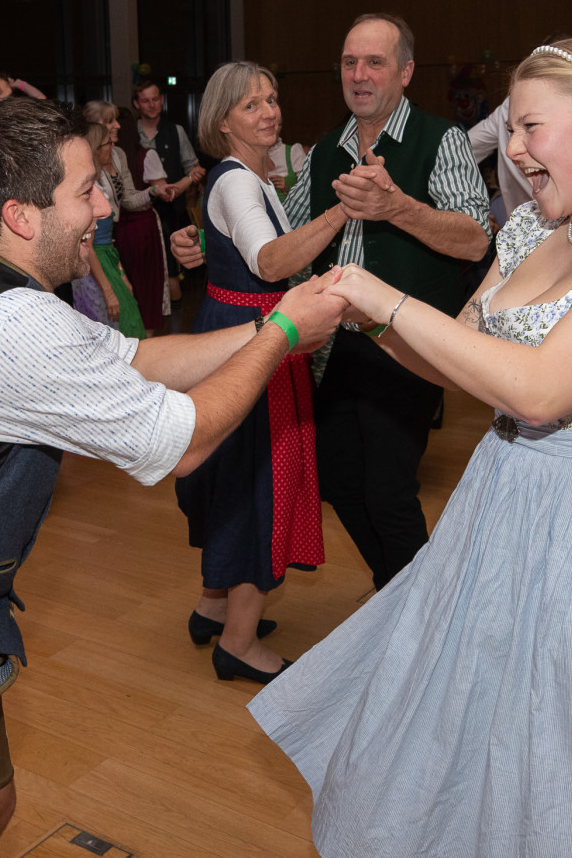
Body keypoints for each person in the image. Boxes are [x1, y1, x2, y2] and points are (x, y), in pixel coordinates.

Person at [249, 39, 572, 858]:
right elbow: (459, 364)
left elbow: (539, 390)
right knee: (471, 715)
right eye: (514, 128)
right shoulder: (530, 228)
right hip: (499, 498)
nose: (517, 150)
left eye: (532, 127)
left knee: (570, 746)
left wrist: (384, 298)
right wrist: (360, 320)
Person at [0, 96, 345, 855]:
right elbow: (184, 439)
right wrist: (288, 332)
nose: (104, 208)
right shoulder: (17, 326)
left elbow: (134, 358)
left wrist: (267, 329)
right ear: (20, 216)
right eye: (85, 191)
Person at [288, 12, 490, 590]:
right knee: (338, 477)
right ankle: (396, 593)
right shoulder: (325, 151)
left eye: (375, 62)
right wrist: (207, 241)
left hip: (405, 344)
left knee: (389, 491)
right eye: (350, 62)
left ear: (405, 72)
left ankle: (417, 611)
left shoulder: (441, 139)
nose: (359, 74)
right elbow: (287, 238)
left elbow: (476, 238)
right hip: (335, 346)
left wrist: (396, 208)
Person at [175, 61, 352, 685]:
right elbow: (271, 263)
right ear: (223, 121)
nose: (270, 112)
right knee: (261, 487)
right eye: (252, 105)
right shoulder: (238, 182)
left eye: (272, 99)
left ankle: (211, 608)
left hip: (237, 328)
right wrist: (342, 212)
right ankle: (239, 643)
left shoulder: (248, 177)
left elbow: (236, 250)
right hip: (254, 339)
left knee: (236, 477)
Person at [83, 101, 172, 334]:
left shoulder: (117, 154)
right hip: (97, 248)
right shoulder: (85, 173)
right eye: (109, 121)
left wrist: (153, 191)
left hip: (110, 245)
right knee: (113, 318)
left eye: (116, 120)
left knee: (127, 312)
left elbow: (128, 199)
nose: (117, 126)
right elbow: (87, 242)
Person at [132, 79, 207, 331]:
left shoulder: (175, 131)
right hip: (138, 216)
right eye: (145, 100)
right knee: (144, 278)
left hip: (172, 216)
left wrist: (189, 179)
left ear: (162, 100)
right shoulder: (129, 133)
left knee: (172, 276)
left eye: (155, 99)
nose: (151, 105)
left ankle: (175, 333)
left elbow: (194, 168)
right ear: (136, 104)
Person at [70, 122, 146, 338]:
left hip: (108, 259)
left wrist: (121, 274)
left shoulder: (100, 184)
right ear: (96, 149)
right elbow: (88, 246)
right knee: (112, 329)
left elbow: (107, 241)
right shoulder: (88, 191)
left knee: (128, 321)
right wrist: (109, 291)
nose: (112, 147)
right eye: (107, 143)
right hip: (95, 268)